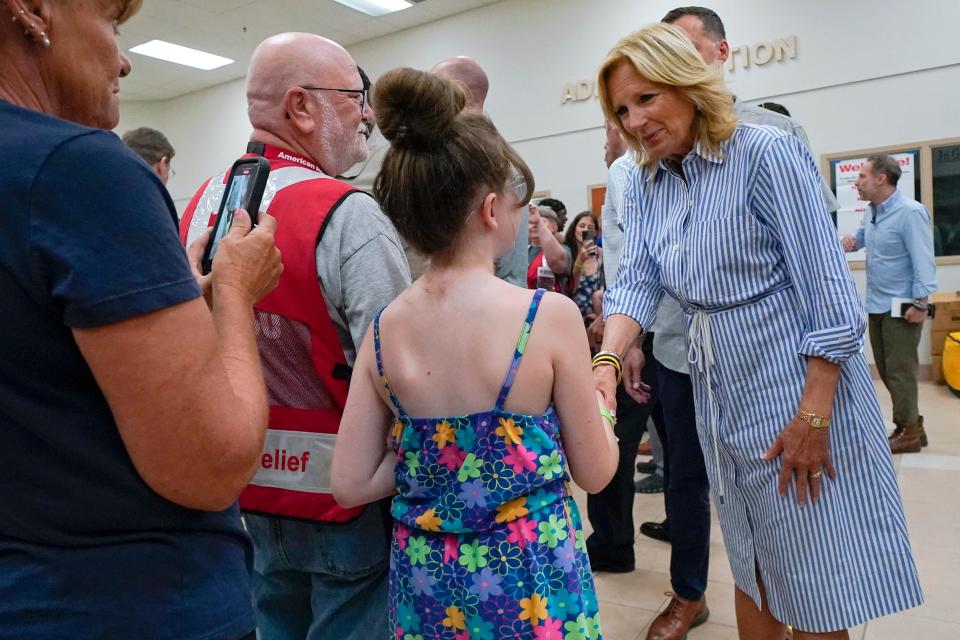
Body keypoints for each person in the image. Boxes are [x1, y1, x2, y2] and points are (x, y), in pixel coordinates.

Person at [594, 23, 922, 638]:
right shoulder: (647, 181)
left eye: (646, 98)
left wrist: (814, 418)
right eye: (620, 108)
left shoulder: (765, 152)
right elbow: (635, 280)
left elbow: (830, 296)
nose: (633, 121)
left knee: (813, 574)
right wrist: (607, 364)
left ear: (686, 82)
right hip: (719, 392)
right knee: (752, 560)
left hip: (792, 389)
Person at [0, 1, 283, 638]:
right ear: (33, 10)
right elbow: (211, 465)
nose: (122, 58)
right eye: (112, 24)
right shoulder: (81, 168)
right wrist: (236, 294)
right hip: (129, 600)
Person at [331, 66, 618, 640]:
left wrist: (445, 456)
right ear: (491, 209)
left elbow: (350, 482)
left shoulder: (387, 328)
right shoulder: (545, 316)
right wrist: (599, 401)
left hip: (430, 582)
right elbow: (597, 468)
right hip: (531, 579)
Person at [181, 33, 410, 640]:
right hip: (344, 500)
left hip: (240, 491)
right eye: (355, 97)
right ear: (301, 108)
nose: (366, 114)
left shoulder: (198, 206)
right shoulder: (348, 212)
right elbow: (395, 371)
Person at [662, 6, 840, 218]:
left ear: (722, 51)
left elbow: (815, 226)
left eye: (691, 51)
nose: (679, 64)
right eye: (670, 57)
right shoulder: (664, 145)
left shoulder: (778, 130)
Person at [842, 155, 937, 453]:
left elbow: (924, 261)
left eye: (862, 176)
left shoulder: (910, 213)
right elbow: (858, 240)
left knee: (900, 371)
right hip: (877, 305)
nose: (856, 182)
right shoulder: (873, 212)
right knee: (885, 368)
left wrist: (921, 304)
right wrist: (847, 243)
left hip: (903, 307)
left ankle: (907, 431)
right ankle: (913, 425)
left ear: (881, 178)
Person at [564, 211, 604, 322]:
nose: (585, 230)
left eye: (590, 227)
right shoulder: (567, 253)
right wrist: (580, 260)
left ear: (596, 232)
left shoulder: (601, 254)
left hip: (598, 318)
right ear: (574, 228)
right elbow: (571, 289)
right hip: (572, 318)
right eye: (581, 226)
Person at [527, 204, 571, 291]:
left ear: (554, 227)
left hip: (551, 301)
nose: (535, 225)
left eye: (542, 222)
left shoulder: (564, 249)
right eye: (531, 222)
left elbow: (557, 264)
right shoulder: (522, 252)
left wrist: (538, 222)